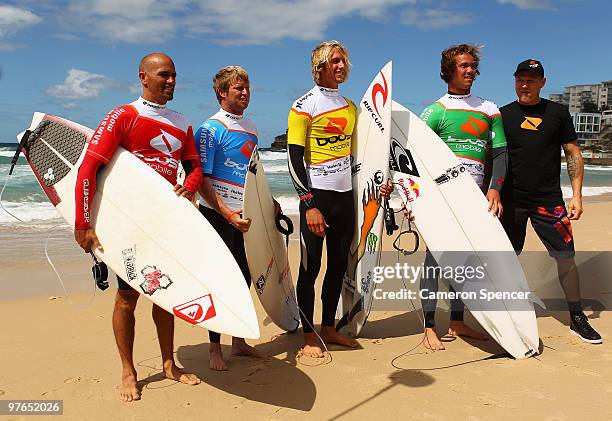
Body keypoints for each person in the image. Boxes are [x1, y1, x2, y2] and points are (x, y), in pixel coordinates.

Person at [74, 53, 202, 402]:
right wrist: (83, 223)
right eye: (164, 75)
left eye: (174, 75)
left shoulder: (182, 122)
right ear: (143, 77)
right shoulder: (123, 116)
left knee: (166, 295)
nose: (171, 80)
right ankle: (129, 371)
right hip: (129, 224)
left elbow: (194, 168)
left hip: (164, 222)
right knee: (128, 298)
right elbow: (88, 169)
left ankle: (168, 364)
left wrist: (189, 186)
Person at [287, 40, 392, 358]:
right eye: (334, 61)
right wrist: (309, 204)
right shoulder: (303, 106)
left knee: (337, 267)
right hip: (317, 197)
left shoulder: (351, 108)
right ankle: (308, 334)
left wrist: (379, 183)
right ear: (319, 66)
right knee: (310, 267)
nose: (341, 66)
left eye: (344, 60)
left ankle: (328, 327)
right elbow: (293, 159)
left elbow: (361, 157)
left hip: (345, 199)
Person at [500, 59, 602, 344]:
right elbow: (491, 156)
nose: (525, 84)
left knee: (566, 257)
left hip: (548, 201)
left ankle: (576, 316)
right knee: (506, 259)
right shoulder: (503, 114)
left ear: (543, 82)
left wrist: (577, 194)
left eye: (531, 80)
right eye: (520, 79)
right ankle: (506, 314)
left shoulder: (557, 112)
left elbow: (572, 152)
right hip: (511, 201)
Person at [418, 43, 507, 350]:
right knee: (434, 261)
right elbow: (415, 159)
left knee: (465, 263)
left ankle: (457, 321)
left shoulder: (489, 109)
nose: (469, 71)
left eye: (472, 65)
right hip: (441, 200)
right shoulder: (435, 111)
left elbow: (500, 153)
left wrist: (494, 187)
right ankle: (429, 326)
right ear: (449, 71)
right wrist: (412, 197)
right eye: (463, 66)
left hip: (476, 198)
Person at [194, 66, 266, 370]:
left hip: (245, 212)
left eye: (247, 88)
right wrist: (225, 212)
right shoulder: (210, 129)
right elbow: (201, 178)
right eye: (238, 88)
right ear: (222, 93)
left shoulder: (251, 128)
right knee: (220, 279)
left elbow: (254, 173)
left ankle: (237, 340)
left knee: (245, 275)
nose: (245, 93)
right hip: (217, 215)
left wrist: (269, 203)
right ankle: (214, 347)